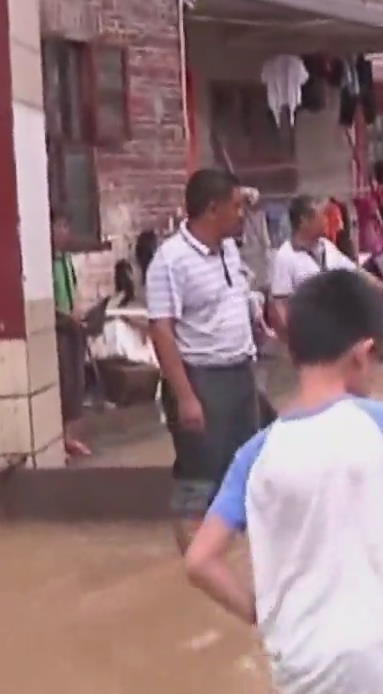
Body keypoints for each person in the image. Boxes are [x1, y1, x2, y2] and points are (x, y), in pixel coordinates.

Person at [184, 269, 383, 694]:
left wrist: (259, 611)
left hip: (301, 672)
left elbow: (199, 561)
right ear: (363, 354)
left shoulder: (254, 454)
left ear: (294, 353)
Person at [147, 169, 263, 552]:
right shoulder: (170, 261)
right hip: (200, 378)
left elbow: (248, 199)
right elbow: (161, 330)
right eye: (234, 207)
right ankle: (194, 569)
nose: (241, 213)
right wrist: (185, 396)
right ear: (213, 209)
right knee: (198, 478)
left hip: (239, 372)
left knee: (246, 466)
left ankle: (228, 555)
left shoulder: (229, 248)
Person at [269, 194, 383, 336]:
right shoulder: (286, 256)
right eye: (322, 216)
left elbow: (355, 271)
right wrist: (292, 339)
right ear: (304, 221)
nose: (326, 221)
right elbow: (280, 303)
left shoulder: (327, 246)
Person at [51, 213, 91, 458]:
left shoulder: (65, 260)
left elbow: (72, 292)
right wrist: (66, 317)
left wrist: (79, 312)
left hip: (73, 327)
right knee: (61, 382)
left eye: (68, 226)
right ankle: (57, 439)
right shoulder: (44, 263)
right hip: (57, 330)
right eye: (60, 226)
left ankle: (68, 437)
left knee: (74, 382)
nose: (65, 232)